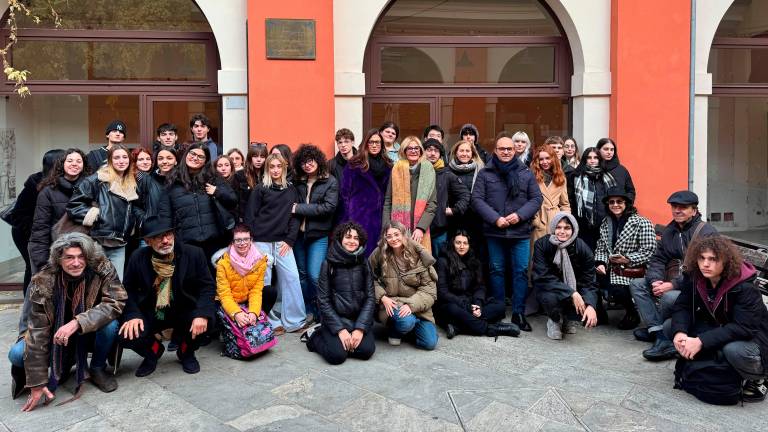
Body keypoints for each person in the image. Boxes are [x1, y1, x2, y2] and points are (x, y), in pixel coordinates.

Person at [11, 233, 126, 408]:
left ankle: (96, 368)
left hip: (87, 332)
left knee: (110, 325)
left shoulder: (102, 269)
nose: (76, 263)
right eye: (69, 257)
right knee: (17, 354)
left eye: (81, 257)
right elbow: (38, 331)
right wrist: (37, 382)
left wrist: (78, 322)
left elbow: (116, 301)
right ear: (58, 259)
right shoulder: (43, 281)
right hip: (55, 337)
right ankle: (62, 363)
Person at [667, 235, 768, 402]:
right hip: (721, 326)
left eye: (713, 259)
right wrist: (679, 332)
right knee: (670, 326)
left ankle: (759, 377)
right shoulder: (697, 278)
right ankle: (715, 367)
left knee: (734, 351)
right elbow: (683, 306)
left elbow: (743, 327)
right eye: (702, 258)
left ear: (725, 262)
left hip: (755, 338)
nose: (705, 264)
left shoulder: (744, 287)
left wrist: (701, 341)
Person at [119, 216, 216, 376]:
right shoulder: (138, 257)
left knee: (208, 320)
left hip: (184, 309)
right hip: (153, 310)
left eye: (168, 235)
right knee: (126, 333)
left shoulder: (193, 253)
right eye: (158, 237)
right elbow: (127, 289)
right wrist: (133, 315)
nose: (165, 240)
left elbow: (207, 286)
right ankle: (153, 352)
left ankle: (186, 352)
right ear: (148, 241)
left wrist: (202, 313)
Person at [632, 190, 718, 361]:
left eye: (683, 207)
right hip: (670, 278)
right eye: (674, 207)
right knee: (637, 284)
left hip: (695, 287)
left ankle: (663, 333)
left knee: (670, 298)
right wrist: (655, 280)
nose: (677, 210)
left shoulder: (705, 232)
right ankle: (658, 333)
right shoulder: (671, 230)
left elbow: (703, 270)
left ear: (694, 210)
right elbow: (658, 258)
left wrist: (673, 285)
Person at [472, 131, 543, 331]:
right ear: (495, 150)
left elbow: (536, 199)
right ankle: (498, 309)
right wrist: (496, 219)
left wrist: (519, 215)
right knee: (496, 271)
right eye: (502, 148)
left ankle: (519, 313)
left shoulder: (525, 172)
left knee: (521, 272)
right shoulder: (485, 173)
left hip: (520, 232)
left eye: (509, 149)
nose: (505, 152)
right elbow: (476, 200)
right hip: (494, 232)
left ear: (515, 151)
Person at [245, 153, 307, 333]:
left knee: (292, 278)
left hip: (282, 242)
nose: (275, 170)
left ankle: (294, 321)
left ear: (284, 168)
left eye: (278, 166)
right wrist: (251, 242)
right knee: (263, 283)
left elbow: (295, 217)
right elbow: (250, 216)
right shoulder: (260, 189)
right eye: (271, 167)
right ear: (267, 169)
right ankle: (269, 321)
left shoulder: (291, 189)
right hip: (260, 242)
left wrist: (290, 239)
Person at [304, 222, 376, 364]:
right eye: (348, 237)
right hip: (335, 320)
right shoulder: (328, 264)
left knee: (367, 351)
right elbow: (323, 300)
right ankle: (315, 337)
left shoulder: (364, 263)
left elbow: (370, 297)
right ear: (340, 239)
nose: (352, 241)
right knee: (337, 356)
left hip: (357, 320)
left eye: (356, 238)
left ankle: (345, 341)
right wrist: (340, 330)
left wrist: (360, 329)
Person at [68, 144, 141, 279]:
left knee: (116, 285)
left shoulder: (131, 182)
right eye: (116, 157)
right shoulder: (97, 179)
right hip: (98, 242)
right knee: (95, 285)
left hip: (119, 243)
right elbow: (74, 206)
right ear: (110, 161)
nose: (121, 161)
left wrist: (132, 225)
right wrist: (95, 215)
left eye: (125, 157)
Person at [158, 143, 237, 260]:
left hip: (214, 242)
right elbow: (165, 215)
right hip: (186, 242)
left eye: (200, 156)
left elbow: (233, 200)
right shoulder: (173, 180)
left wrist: (217, 192)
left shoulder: (213, 178)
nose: (195, 158)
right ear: (186, 155)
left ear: (205, 161)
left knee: (214, 277)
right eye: (193, 154)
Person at [434, 231, 518, 339]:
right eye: (458, 243)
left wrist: (478, 305)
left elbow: (480, 286)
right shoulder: (443, 261)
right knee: (453, 310)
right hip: (451, 303)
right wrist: (467, 307)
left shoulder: (474, 260)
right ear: (452, 244)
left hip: (470, 301)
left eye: (465, 243)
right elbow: (442, 292)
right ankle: (490, 328)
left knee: (500, 306)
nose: (462, 246)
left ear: (469, 245)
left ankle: (458, 327)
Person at [369, 221, 438, 350]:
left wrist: (411, 305)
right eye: (389, 236)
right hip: (393, 303)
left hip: (418, 307)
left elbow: (429, 291)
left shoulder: (418, 255)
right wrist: (382, 297)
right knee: (407, 321)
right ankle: (398, 328)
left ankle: (408, 329)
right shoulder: (379, 253)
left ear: (404, 235)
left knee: (430, 343)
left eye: (397, 234)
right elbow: (368, 277)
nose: (393, 239)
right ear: (385, 238)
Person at [594, 187, 656, 330]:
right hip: (611, 267)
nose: (615, 205)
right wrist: (601, 262)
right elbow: (601, 248)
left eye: (619, 201)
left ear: (627, 203)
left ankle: (632, 313)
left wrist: (627, 259)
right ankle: (599, 313)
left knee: (617, 287)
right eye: (611, 202)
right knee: (590, 277)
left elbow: (649, 250)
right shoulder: (606, 223)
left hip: (633, 269)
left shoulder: (642, 222)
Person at [533, 213, 599, 340]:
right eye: (558, 227)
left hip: (575, 288)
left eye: (567, 228)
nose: (562, 231)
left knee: (588, 304)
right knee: (550, 297)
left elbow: (589, 281)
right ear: (553, 228)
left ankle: (569, 318)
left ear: (574, 230)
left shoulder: (583, 248)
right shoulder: (542, 245)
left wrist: (591, 305)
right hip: (550, 289)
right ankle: (554, 320)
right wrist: (572, 293)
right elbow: (542, 276)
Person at [214, 224, 277, 354]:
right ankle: (226, 330)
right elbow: (224, 294)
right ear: (232, 242)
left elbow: (256, 290)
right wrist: (236, 313)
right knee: (217, 307)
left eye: (246, 239)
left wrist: (253, 312)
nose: (242, 243)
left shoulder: (260, 261)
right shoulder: (223, 263)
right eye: (238, 240)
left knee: (270, 291)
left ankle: (254, 323)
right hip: (230, 302)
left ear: (251, 240)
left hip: (247, 300)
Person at [292, 144, 339, 318]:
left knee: (314, 275)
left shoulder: (330, 181)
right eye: (303, 162)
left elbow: (328, 207)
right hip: (298, 235)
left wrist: (299, 208)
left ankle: (321, 310)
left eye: (310, 161)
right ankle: (306, 310)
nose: (307, 165)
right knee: (301, 276)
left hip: (318, 235)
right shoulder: (297, 181)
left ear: (318, 160)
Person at [8, 150, 65, 289]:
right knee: (33, 268)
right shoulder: (35, 184)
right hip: (25, 233)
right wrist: (38, 231)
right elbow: (18, 214)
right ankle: (31, 303)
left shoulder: (65, 182)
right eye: (66, 161)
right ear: (56, 164)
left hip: (48, 234)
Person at [28, 149, 90, 274]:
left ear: (83, 166)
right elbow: (40, 228)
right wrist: (42, 261)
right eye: (70, 160)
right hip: (57, 252)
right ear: (62, 164)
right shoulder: (48, 192)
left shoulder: (91, 188)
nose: (74, 164)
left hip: (84, 253)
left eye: (79, 161)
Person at [339, 129, 393, 257]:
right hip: (358, 216)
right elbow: (344, 194)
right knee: (360, 254)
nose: (374, 145)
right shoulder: (354, 164)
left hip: (380, 217)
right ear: (366, 144)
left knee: (378, 255)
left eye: (378, 143)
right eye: (371, 142)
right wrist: (347, 220)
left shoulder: (388, 165)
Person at [382, 136, 437, 254]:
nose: (413, 151)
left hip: (420, 229)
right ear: (404, 151)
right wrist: (387, 228)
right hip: (398, 229)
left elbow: (431, 204)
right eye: (409, 148)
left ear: (420, 151)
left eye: (416, 148)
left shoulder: (428, 170)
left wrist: (421, 228)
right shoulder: (396, 169)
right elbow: (388, 201)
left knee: (419, 264)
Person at [423, 138, 469, 256]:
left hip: (439, 229)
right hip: (418, 228)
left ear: (441, 154)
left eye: (436, 151)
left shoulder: (446, 174)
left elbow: (465, 194)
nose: (432, 153)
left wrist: (454, 210)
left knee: (440, 263)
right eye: (429, 150)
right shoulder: (417, 171)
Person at [567, 147, 615, 250]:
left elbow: (613, 198)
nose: (592, 160)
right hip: (583, 224)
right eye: (589, 158)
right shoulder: (575, 177)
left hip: (604, 223)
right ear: (585, 159)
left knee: (603, 254)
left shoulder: (606, 177)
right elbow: (570, 201)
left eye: (595, 157)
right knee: (585, 254)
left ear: (599, 159)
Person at [447, 139, 486, 261]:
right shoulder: (448, 170)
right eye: (461, 151)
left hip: (475, 218)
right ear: (456, 153)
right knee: (453, 252)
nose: (464, 154)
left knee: (474, 253)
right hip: (453, 218)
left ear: (473, 153)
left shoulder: (481, 171)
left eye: (468, 151)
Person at [529, 144, 570, 242]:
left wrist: (564, 222)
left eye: (547, 158)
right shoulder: (531, 176)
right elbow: (527, 201)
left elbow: (565, 204)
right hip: (539, 219)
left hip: (555, 221)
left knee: (554, 254)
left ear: (553, 159)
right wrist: (535, 221)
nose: (544, 162)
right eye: (541, 159)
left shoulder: (560, 177)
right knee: (537, 253)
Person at [240, 143, 269, 220]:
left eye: (262, 157)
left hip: (264, 219)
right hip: (245, 219)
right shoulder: (240, 175)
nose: (259, 160)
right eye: (255, 156)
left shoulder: (269, 176)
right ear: (250, 158)